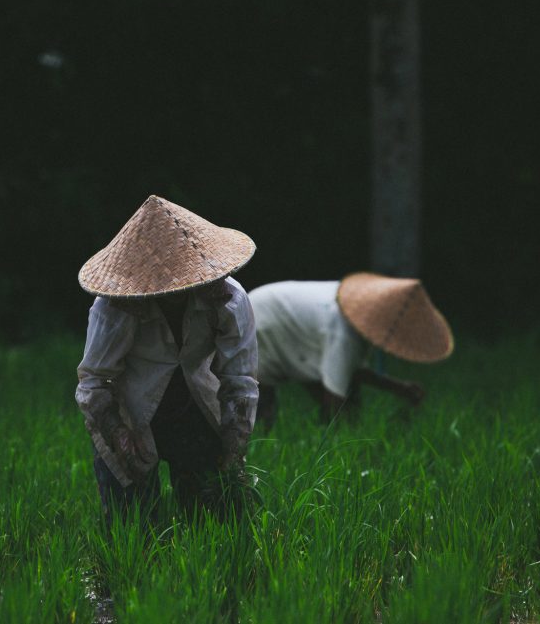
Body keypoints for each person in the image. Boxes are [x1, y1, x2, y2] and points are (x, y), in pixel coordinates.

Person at [75, 195, 259, 522]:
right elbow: (94, 382)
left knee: (214, 519)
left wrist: (235, 444)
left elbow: (240, 380)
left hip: (196, 406)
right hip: (129, 411)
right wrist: (118, 434)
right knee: (132, 527)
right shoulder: (116, 306)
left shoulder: (227, 299)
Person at [248, 272, 454, 427]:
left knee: (346, 394)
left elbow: (352, 368)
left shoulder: (350, 314)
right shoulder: (344, 332)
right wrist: (336, 432)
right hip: (262, 321)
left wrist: (398, 387)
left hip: (282, 318)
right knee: (260, 404)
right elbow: (334, 395)